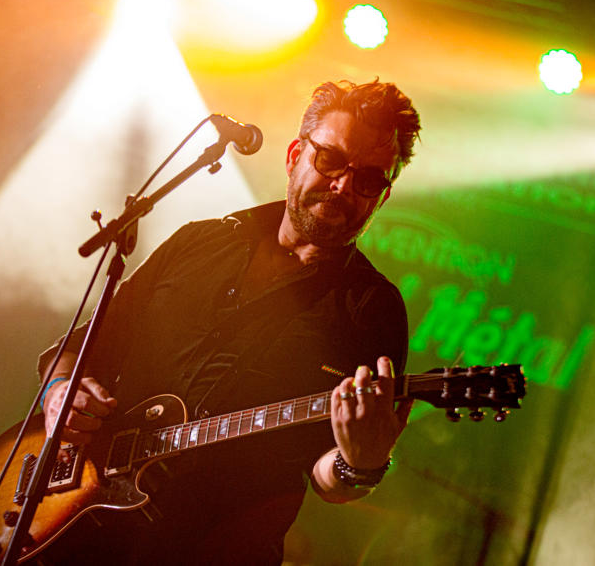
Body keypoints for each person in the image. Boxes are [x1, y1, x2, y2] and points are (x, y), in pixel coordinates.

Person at [37, 79, 422, 564]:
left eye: (367, 180)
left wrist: (360, 464)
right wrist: (60, 392)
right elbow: (79, 348)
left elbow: (327, 476)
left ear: (381, 198)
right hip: (70, 526)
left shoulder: (373, 310)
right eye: (330, 160)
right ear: (294, 156)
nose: (343, 185)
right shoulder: (199, 242)